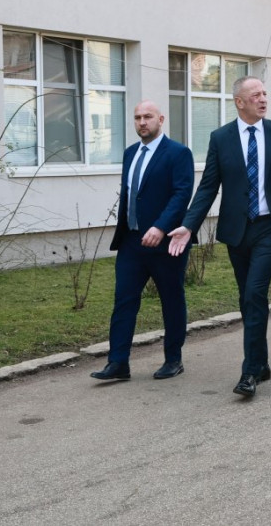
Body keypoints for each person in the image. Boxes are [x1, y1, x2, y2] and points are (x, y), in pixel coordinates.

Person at [168, 76, 271, 398]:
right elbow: (208, 187)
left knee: (254, 293)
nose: (263, 99)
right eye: (256, 95)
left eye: (265, 93)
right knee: (247, 298)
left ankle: (249, 372)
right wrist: (189, 225)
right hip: (237, 231)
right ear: (239, 102)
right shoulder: (220, 138)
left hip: (270, 227)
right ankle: (261, 363)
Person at [91, 101, 195, 382]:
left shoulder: (178, 153)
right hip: (131, 241)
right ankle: (118, 363)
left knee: (171, 300)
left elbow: (182, 194)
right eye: (137, 117)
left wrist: (161, 227)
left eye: (148, 117)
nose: (142, 122)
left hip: (167, 243)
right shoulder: (130, 153)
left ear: (161, 119)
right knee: (123, 300)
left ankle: (173, 359)